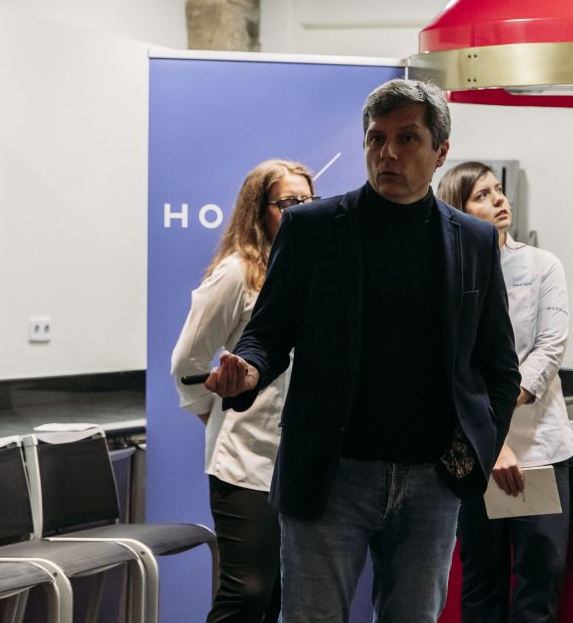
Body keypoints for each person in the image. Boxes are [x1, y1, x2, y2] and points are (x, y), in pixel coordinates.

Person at [203, 78, 522, 623]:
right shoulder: (312, 228)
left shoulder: (472, 240)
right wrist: (249, 369)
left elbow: (499, 365)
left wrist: (474, 448)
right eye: (377, 138)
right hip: (332, 474)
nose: (387, 152)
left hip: (432, 480)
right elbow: (267, 333)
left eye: (407, 138)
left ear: (440, 152)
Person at [170, 158, 316, 623]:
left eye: (309, 201)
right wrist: (216, 415)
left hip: (300, 459)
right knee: (247, 592)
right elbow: (187, 362)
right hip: (245, 461)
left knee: (280, 594)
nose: (301, 211)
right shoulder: (237, 273)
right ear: (259, 210)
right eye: (289, 203)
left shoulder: (316, 270)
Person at [439, 161, 573, 623]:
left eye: (498, 190)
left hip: (539, 450)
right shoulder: (444, 272)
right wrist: (489, 441)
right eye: (482, 195)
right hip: (474, 453)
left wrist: (492, 423)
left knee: (541, 577)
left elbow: (549, 350)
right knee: (482, 584)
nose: (499, 199)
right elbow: (448, 368)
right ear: (457, 208)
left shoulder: (541, 265)